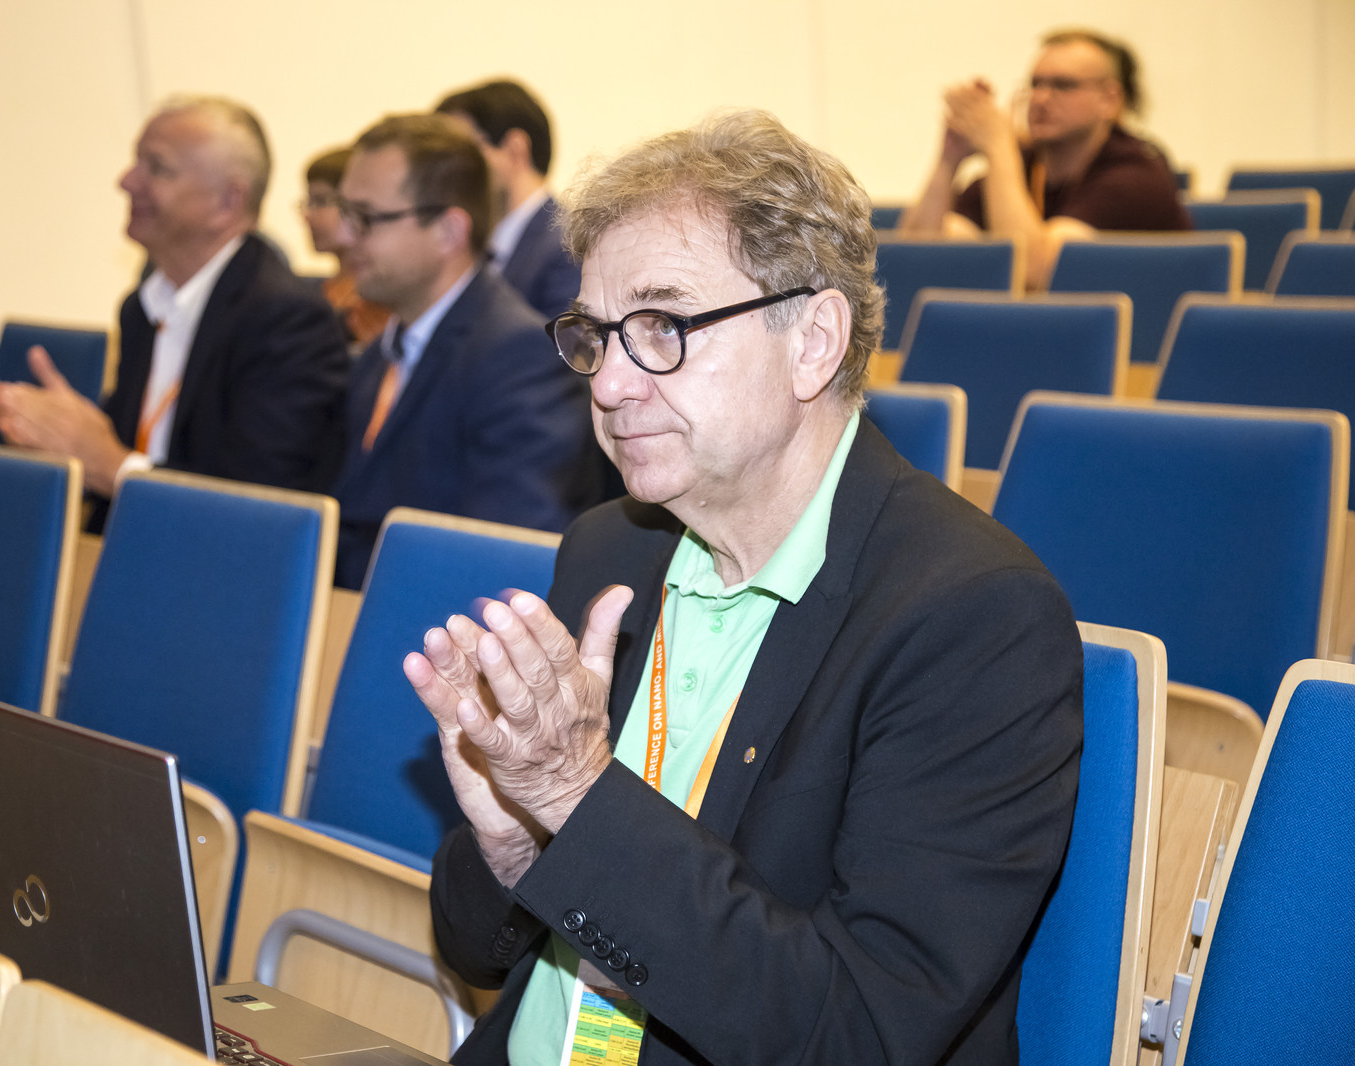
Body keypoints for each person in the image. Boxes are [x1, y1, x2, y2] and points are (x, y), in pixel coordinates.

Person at [405, 110, 1083, 1065]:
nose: (609, 384)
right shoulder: (610, 549)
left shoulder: (972, 616)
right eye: (597, 335)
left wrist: (570, 796)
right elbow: (473, 950)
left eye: (661, 326)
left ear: (813, 341)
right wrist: (515, 846)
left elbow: (857, 1036)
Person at [0, 96, 348, 528]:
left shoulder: (286, 318)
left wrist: (111, 465)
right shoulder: (142, 308)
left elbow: (260, 506)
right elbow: (130, 451)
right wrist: (60, 446)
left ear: (227, 202)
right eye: (135, 163)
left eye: (157, 168)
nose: (126, 181)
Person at [328, 113, 601, 589]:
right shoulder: (381, 354)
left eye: (366, 218)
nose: (344, 236)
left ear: (449, 231)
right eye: (344, 214)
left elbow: (502, 558)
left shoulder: (518, 360)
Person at [900, 29, 1189, 289]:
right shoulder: (1025, 165)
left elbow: (1033, 274)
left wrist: (999, 146)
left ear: (1109, 99)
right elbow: (915, 261)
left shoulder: (1135, 176)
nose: (1040, 98)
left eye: (1062, 85)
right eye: (1035, 84)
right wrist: (949, 158)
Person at [437, 79, 581, 320]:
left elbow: (560, 342)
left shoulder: (568, 248)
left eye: (463, 153)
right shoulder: (478, 245)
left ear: (515, 149)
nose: (447, 173)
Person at [302, 146, 391, 348]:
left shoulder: (375, 298)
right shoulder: (318, 292)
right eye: (308, 202)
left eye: (320, 201)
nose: (307, 215)